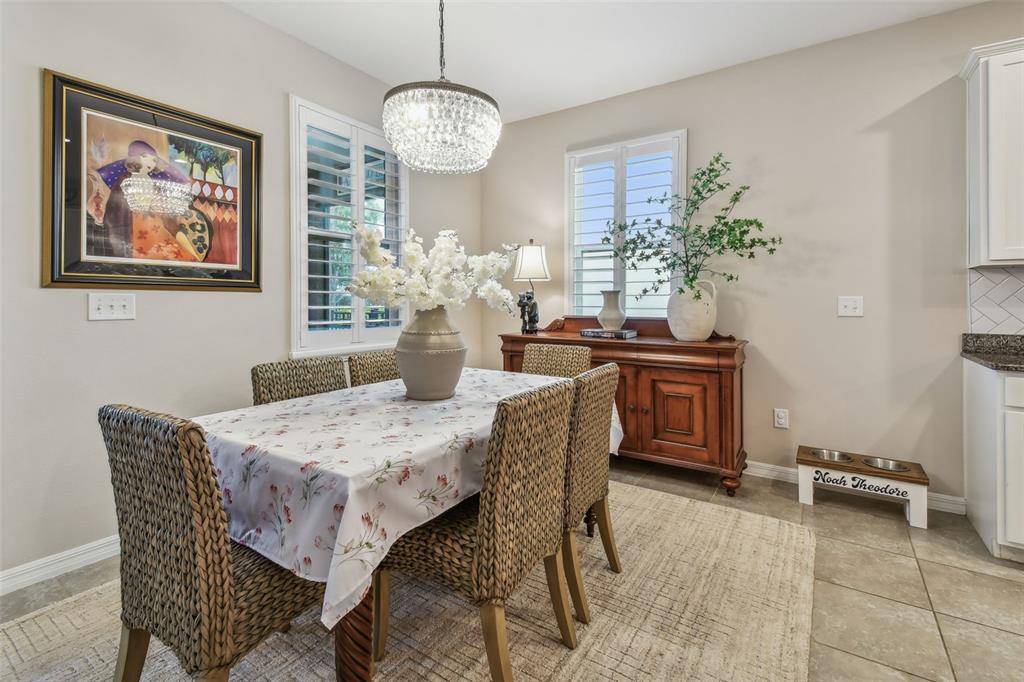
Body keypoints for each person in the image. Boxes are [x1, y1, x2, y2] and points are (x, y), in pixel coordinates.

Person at [88, 140, 190, 258]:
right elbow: (117, 206)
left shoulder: (153, 181)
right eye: (145, 156)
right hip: (132, 221)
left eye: (154, 159)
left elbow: (157, 203)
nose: (150, 162)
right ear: (135, 158)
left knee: (168, 248)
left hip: (153, 221)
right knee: (143, 249)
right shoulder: (124, 179)